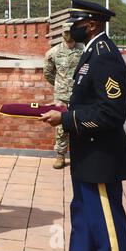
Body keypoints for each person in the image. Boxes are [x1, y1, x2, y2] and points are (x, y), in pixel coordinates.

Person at [40, 0, 126, 251]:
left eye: (77, 23)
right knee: (83, 217)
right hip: (86, 154)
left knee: (107, 226)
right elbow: (90, 99)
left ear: (91, 25)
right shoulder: (91, 52)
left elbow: (111, 113)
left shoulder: (105, 57)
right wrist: (64, 107)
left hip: (100, 157)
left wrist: (67, 120)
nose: (73, 28)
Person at [43, 23, 84, 169]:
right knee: (61, 127)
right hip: (61, 95)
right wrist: (60, 84)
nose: (68, 35)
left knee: (81, 122)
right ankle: (60, 155)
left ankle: (82, 156)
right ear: (62, 33)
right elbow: (48, 73)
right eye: (66, 32)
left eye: (70, 32)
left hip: (80, 94)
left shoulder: (83, 49)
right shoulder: (53, 53)